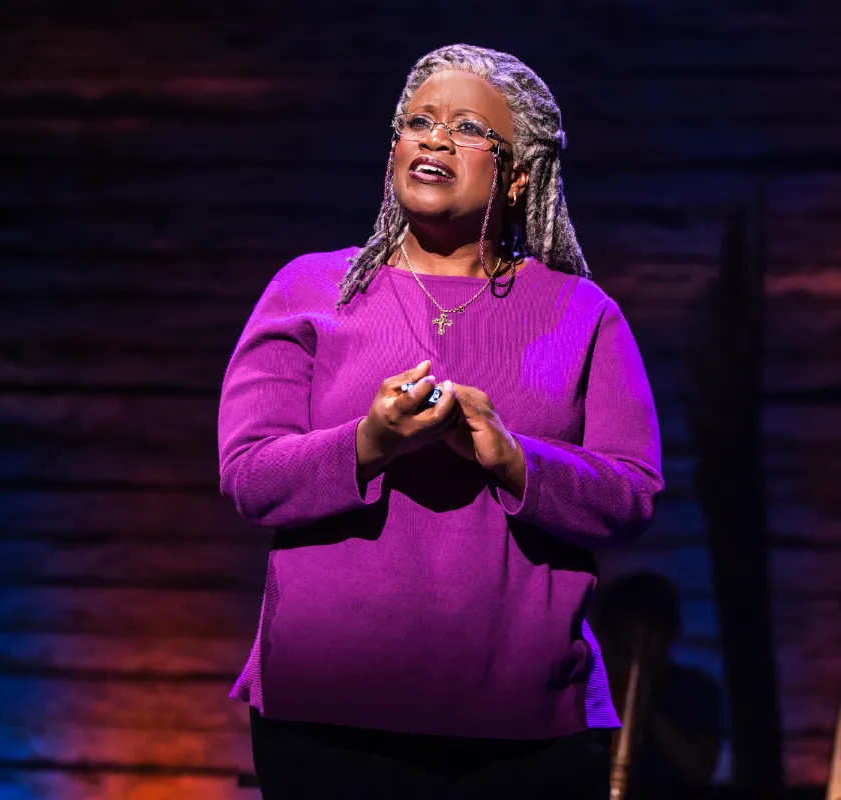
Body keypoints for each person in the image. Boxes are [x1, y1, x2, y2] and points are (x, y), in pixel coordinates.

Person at [217, 43, 664, 799]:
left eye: (465, 128)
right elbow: (250, 477)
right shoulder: (311, 289)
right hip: (331, 713)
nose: (432, 139)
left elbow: (633, 495)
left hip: (526, 724)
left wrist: (514, 458)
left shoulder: (581, 312)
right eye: (417, 122)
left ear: (517, 173)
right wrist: (370, 443)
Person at [591, 572, 723, 799]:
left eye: (648, 635)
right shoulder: (589, 689)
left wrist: (644, 707)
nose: (635, 647)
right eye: (625, 634)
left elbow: (699, 772)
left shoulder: (695, 688)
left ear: (668, 634)